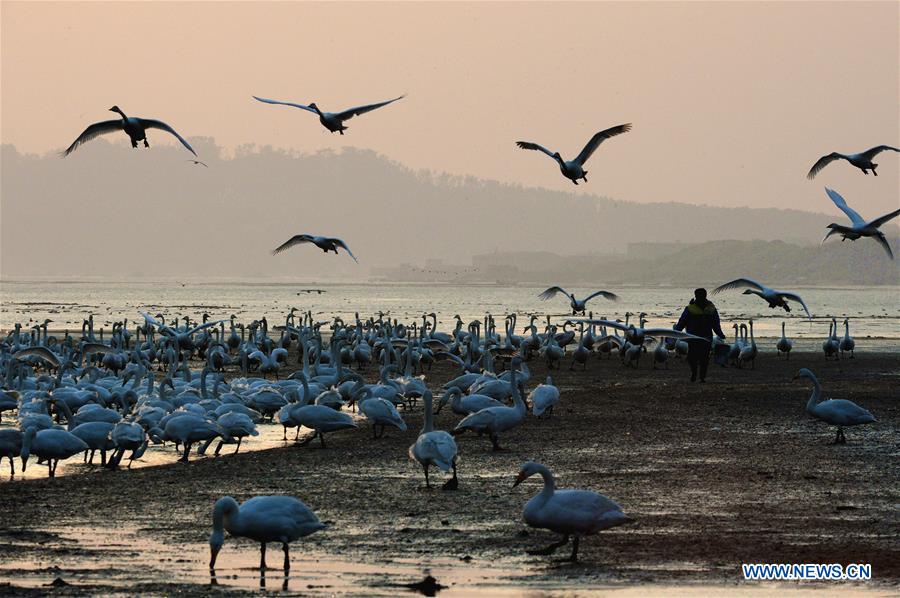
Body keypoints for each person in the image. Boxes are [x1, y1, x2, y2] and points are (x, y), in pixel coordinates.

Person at [674, 288, 726, 382]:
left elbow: (682, 322)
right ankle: (698, 375)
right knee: (698, 357)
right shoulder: (706, 308)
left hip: (698, 336)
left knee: (700, 357)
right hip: (697, 337)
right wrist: (720, 333)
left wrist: (720, 334)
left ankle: (699, 376)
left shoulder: (706, 308)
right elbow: (716, 324)